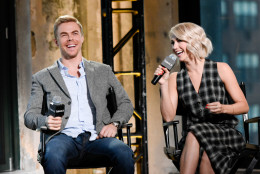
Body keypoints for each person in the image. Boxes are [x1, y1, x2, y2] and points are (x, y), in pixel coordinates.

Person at [24, 15, 134, 174]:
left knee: (124, 153)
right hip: (61, 138)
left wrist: (114, 124)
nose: (70, 39)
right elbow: (29, 116)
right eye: (64, 35)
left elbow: (125, 103)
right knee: (53, 155)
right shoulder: (42, 77)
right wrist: (45, 121)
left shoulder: (103, 71)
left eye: (75, 33)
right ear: (56, 42)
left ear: (82, 38)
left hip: (98, 138)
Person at [154, 22, 249, 174]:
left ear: (193, 41)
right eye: (172, 42)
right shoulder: (174, 78)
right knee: (203, 149)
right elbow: (168, 116)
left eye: (179, 41)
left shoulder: (221, 68)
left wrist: (224, 108)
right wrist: (163, 84)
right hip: (194, 138)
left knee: (200, 142)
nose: (174, 46)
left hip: (224, 134)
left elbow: (244, 106)